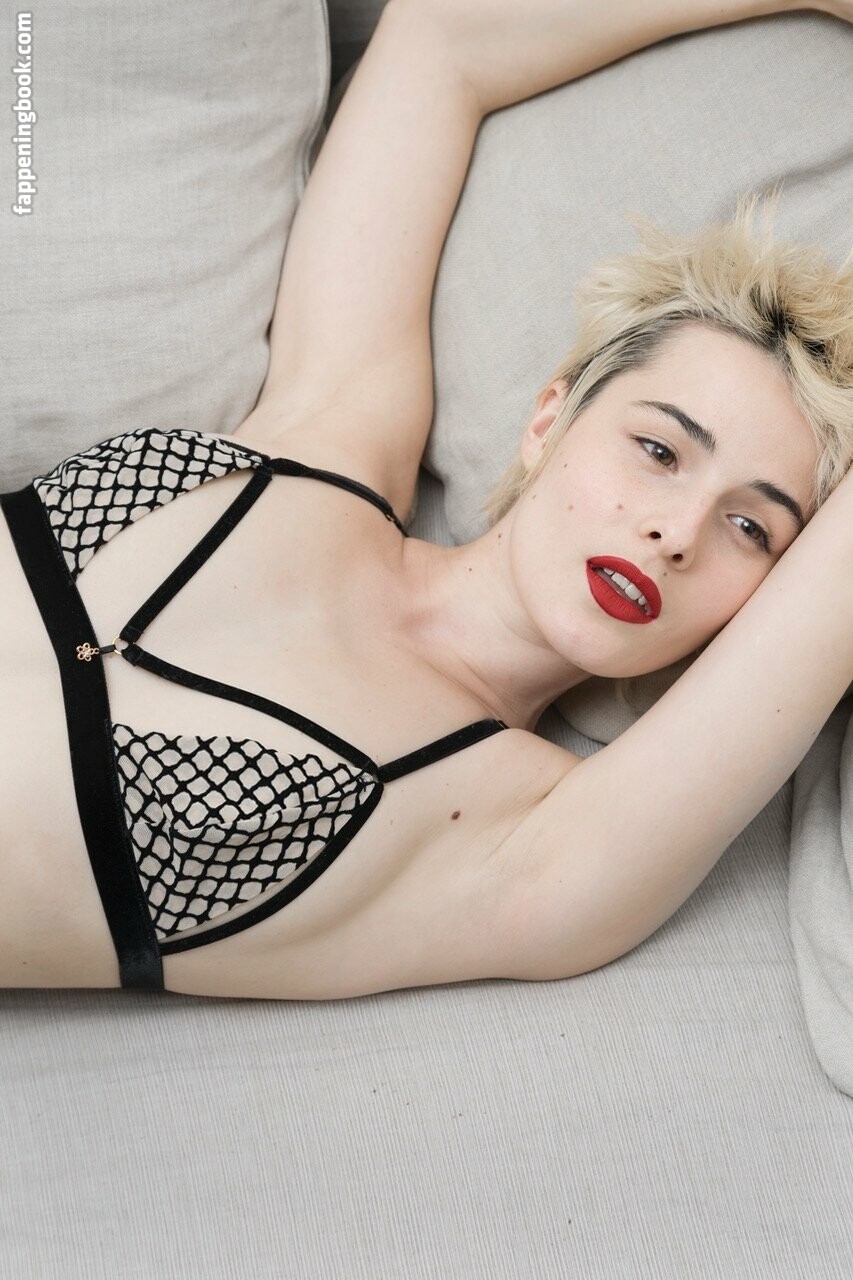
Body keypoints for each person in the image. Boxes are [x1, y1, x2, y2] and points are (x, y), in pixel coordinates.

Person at [1, 0, 852, 1001]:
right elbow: (442, 38)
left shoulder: (527, 846)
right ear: (547, 421)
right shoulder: (328, 438)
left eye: (750, 526)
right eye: (658, 450)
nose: (676, 532)